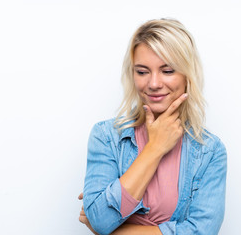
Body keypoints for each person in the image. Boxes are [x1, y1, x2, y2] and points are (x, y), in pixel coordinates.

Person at [78, 18, 227, 235]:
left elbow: (201, 231)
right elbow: (101, 219)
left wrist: (114, 231)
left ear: (187, 75)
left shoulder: (209, 151)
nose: (154, 83)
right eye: (142, 71)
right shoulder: (106, 136)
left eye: (167, 71)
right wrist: (155, 148)